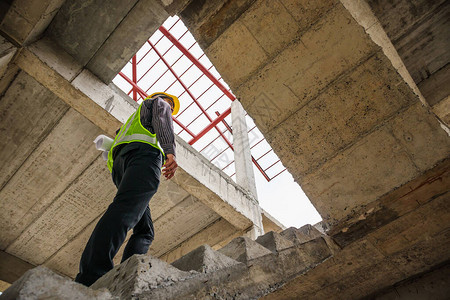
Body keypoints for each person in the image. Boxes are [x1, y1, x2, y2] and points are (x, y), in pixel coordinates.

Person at [75, 92, 180, 287]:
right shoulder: (157, 104)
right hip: (143, 158)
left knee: (145, 230)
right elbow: (162, 113)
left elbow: (113, 147)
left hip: (122, 168)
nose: (170, 110)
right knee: (123, 211)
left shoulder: (130, 124)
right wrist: (170, 150)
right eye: (170, 105)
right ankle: (92, 274)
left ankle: (127, 275)